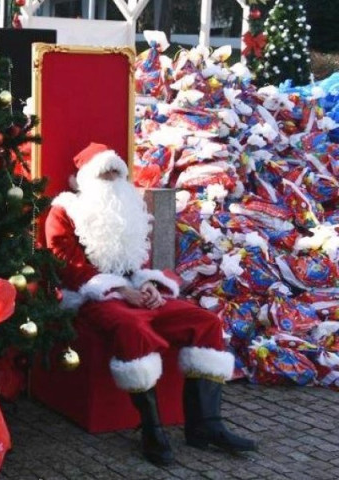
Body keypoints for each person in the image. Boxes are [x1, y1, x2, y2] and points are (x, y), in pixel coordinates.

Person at [44, 142, 257, 466]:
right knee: (131, 327)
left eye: (118, 173)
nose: (113, 181)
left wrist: (150, 286)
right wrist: (119, 290)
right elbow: (66, 266)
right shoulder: (64, 211)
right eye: (105, 174)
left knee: (204, 322)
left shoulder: (129, 213)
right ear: (84, 179)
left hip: (135, 291)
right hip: (92, 296)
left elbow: (138, 263)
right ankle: (151, 429)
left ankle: (206, 426)